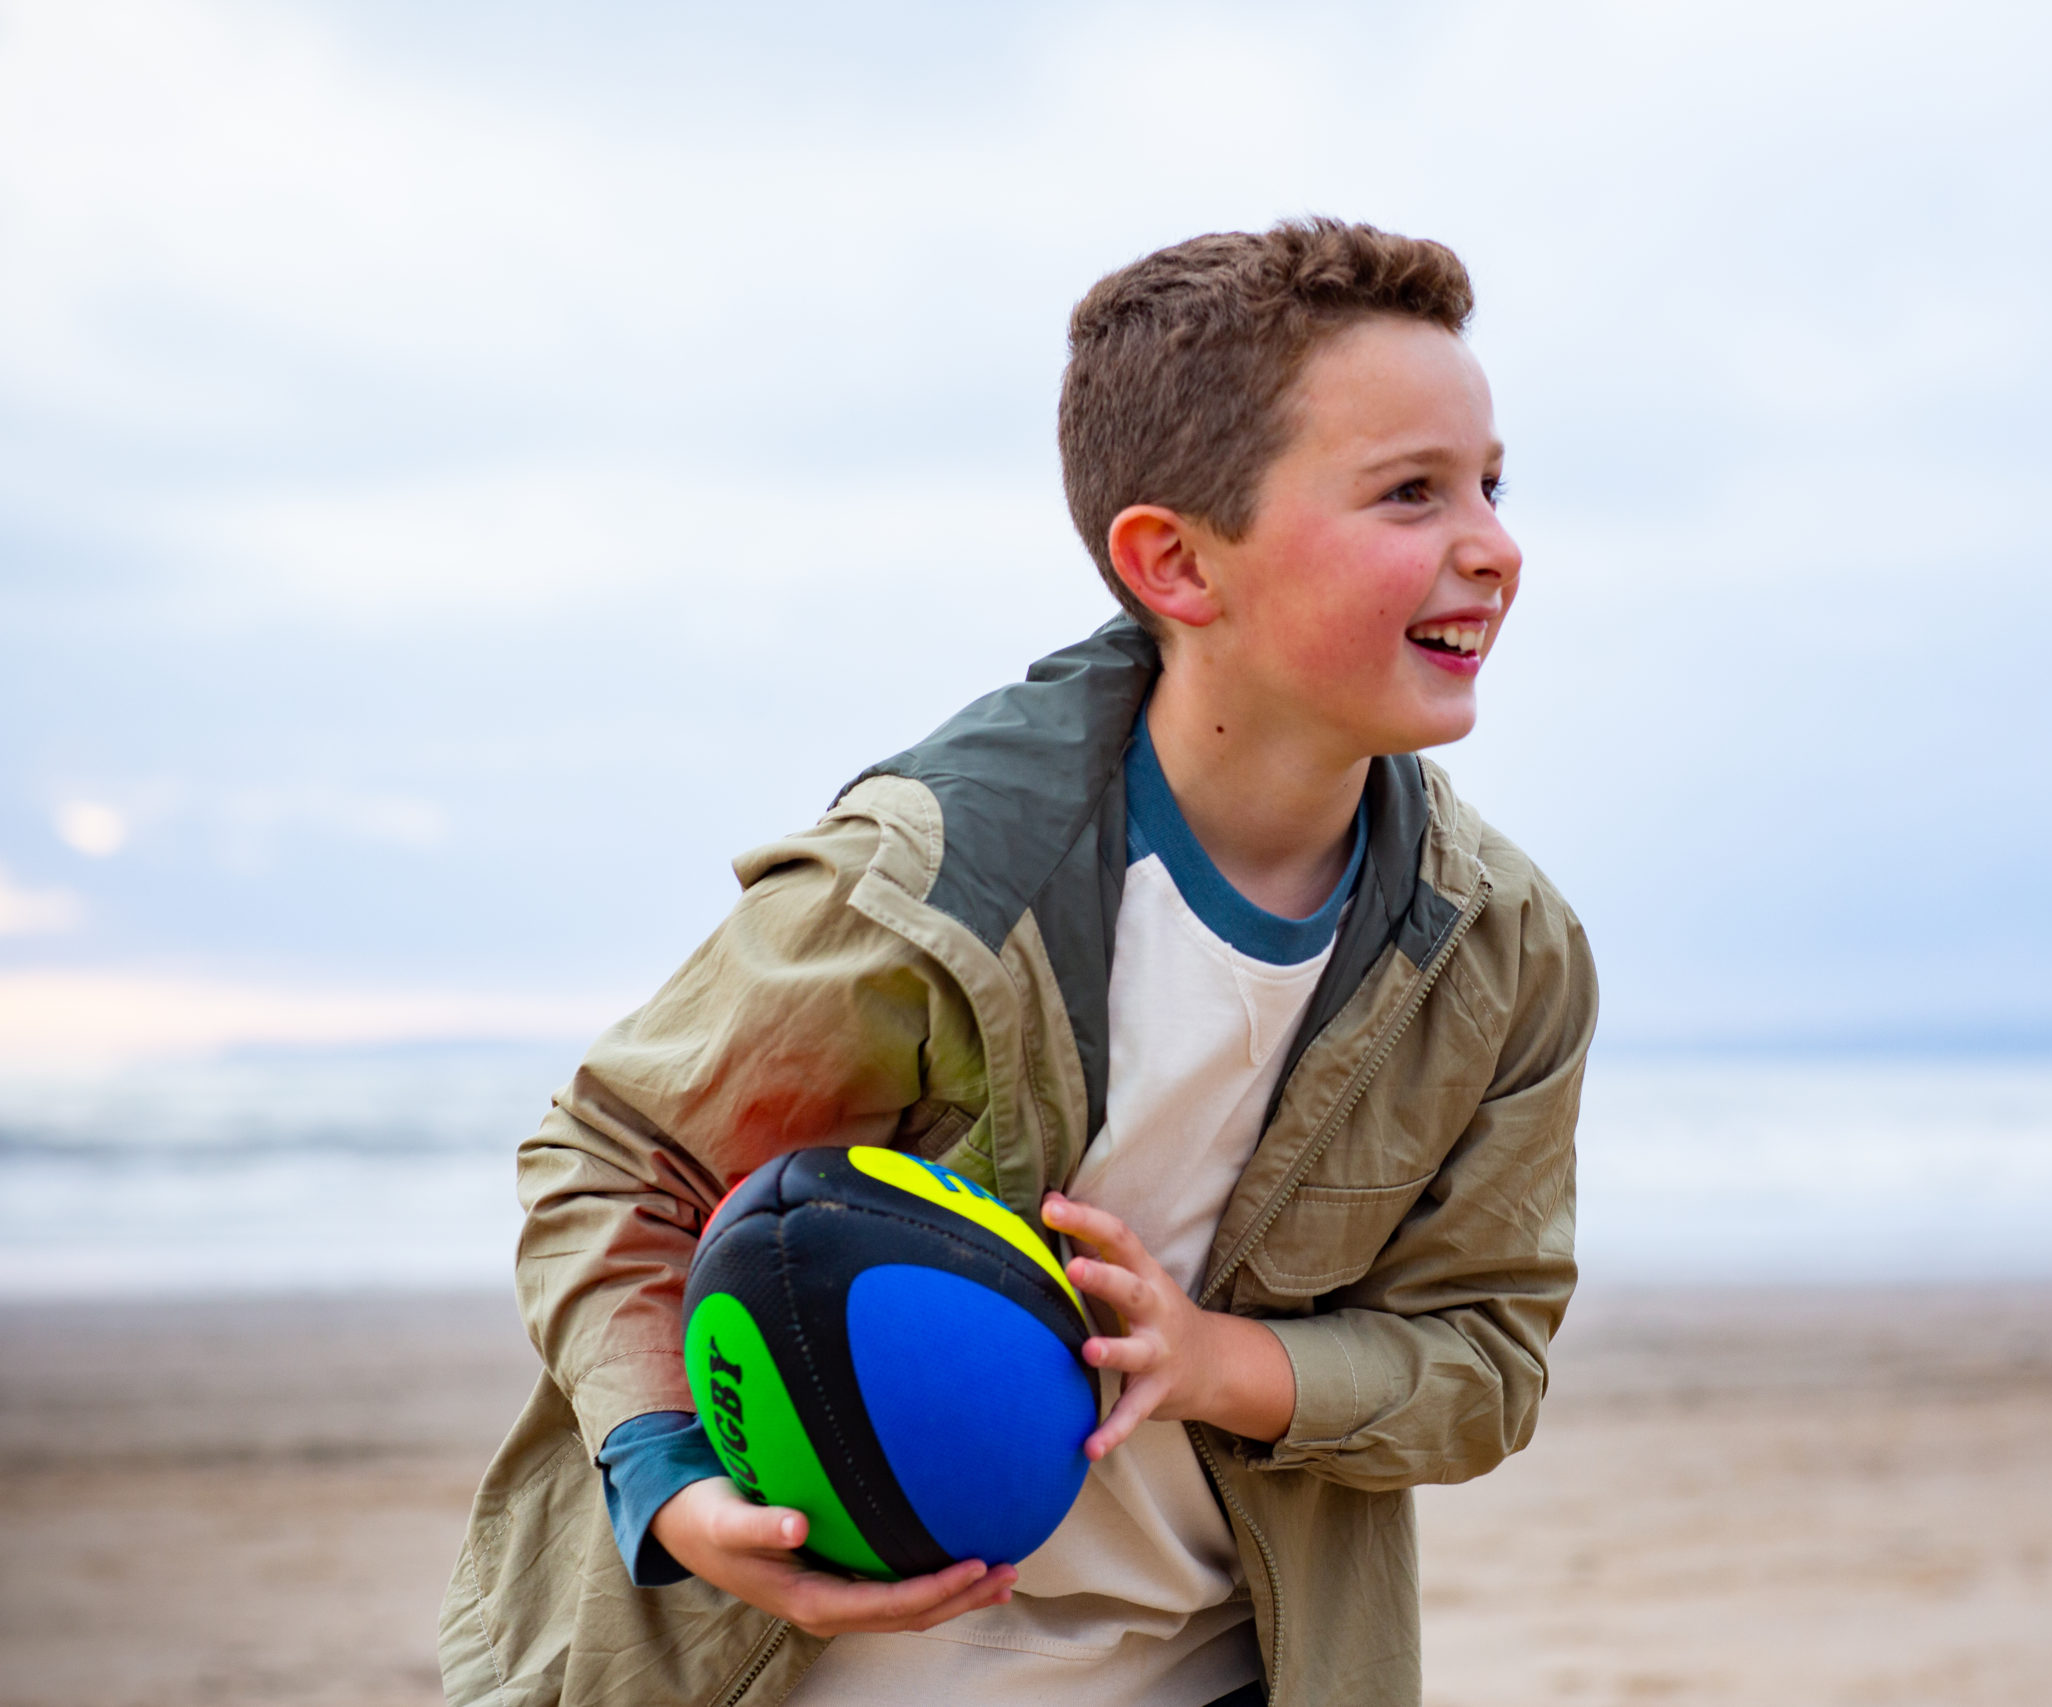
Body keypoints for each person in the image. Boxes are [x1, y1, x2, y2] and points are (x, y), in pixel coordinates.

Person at [440, 217, 1597, 1707]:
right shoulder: (930, 885)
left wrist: (1213, 1359)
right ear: (1175, 562)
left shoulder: (1500, 952)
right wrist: (672, 1481)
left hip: (1221, 1668)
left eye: (1492, 484)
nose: (1492, 543)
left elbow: (1484, 1361)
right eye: (1409, 494)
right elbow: (612, 1161)